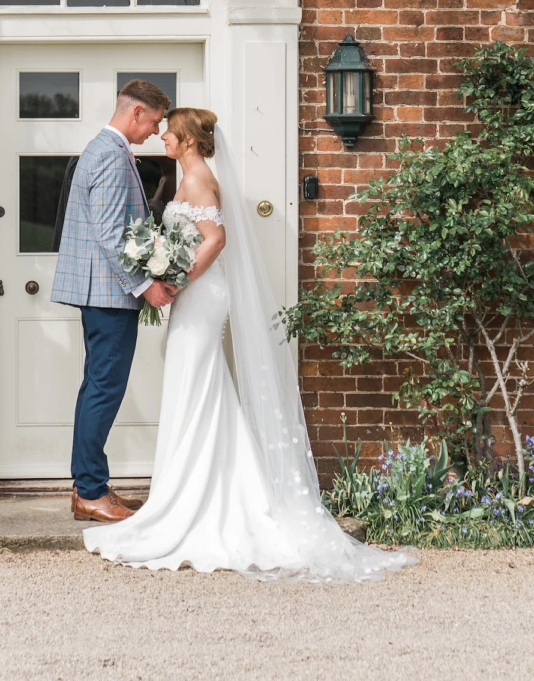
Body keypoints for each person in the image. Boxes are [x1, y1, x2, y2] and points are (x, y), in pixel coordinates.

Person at [82, 107, 418, 582]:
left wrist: (177, 278)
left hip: (200, 295)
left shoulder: (199, 180)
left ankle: (200, 499)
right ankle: (205, 487)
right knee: (200, 387)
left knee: (195, 384)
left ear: (189, 141)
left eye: (169, 133)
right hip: (194, 296)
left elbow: (214, 239)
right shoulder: (191, 175)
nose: (162, 138)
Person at [51, 78, 173, 525]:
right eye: (154, 122)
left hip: (105, 293)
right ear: (136, 112)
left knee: (99, 387)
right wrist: (146, 286)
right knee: (103, 388)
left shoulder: (110, 151)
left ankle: (92, 485)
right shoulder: (108, 154)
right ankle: (89, 491)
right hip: (107, 294)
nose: (156, 132)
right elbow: (109, 232)